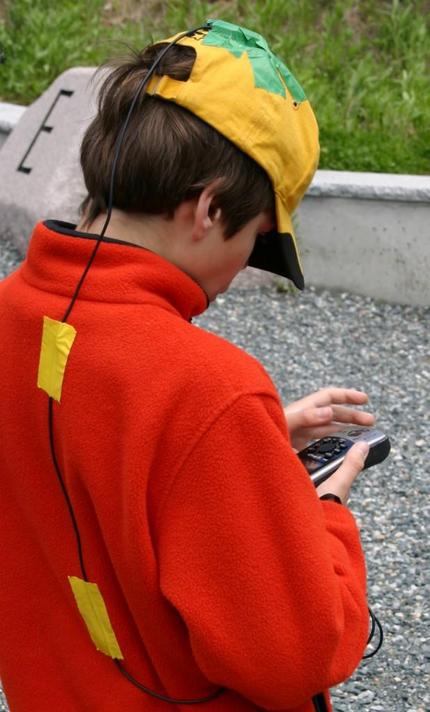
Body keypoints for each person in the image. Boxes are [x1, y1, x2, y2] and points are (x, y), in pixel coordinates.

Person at [0, 19, 375, 712]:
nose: (234, 277)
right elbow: (293, 655)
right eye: (256, 241)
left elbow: (71, 446)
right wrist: (319, 509)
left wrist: (250, 448)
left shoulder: (13, 311)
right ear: (207, 208)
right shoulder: (210, 388)